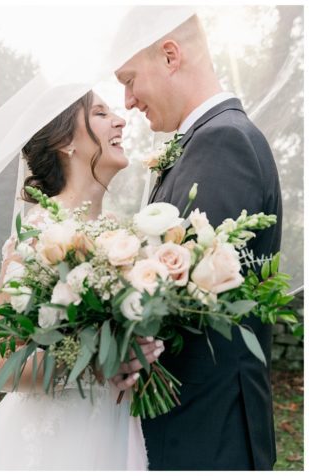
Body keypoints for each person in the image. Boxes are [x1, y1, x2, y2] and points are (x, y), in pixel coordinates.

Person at [115, 15, 281, 470]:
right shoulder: (205, 140)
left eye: (129, 81)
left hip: (208, 432)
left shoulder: (222, 140)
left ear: (170, 56)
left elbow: (181, 300)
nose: (127, 102)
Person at [0, 91, 156, 471]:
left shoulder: (123, 234)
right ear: (65, 142)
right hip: (56, 443)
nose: (121, 120)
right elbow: (3, 365)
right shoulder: (39, 232)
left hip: (117, 431)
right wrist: (96, 363)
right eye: (101, 113)